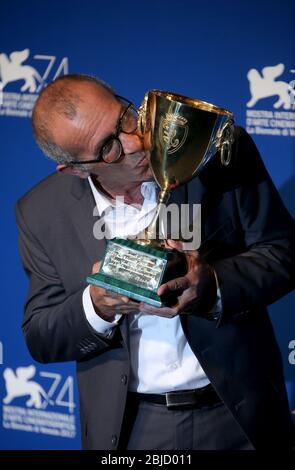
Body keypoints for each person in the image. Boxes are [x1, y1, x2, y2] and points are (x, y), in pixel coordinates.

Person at [16, 74, 295, 450]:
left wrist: (211, 284)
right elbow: (41, 335)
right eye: (110, 147)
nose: (136, 142)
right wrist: (96, 305)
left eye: (126, 118)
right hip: (134, 428)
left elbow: (284, 252)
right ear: (78, 169)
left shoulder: (213, 149)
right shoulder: (41, 212)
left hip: (238, 412)